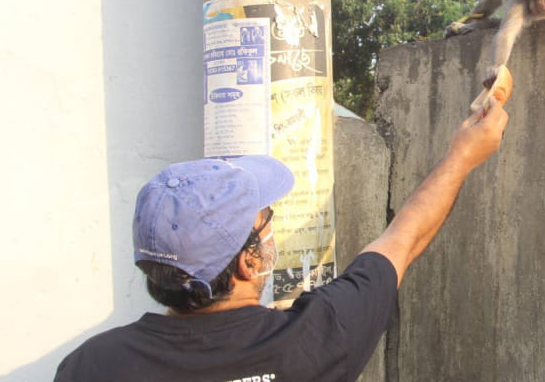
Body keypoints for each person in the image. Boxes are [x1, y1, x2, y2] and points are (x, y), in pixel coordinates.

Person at [55, 85, 511, 381]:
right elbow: (403, 239)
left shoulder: (89, 366)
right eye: (266, 220)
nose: (273, 228)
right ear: (248, 261)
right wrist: (462, 156)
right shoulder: (310, 341)